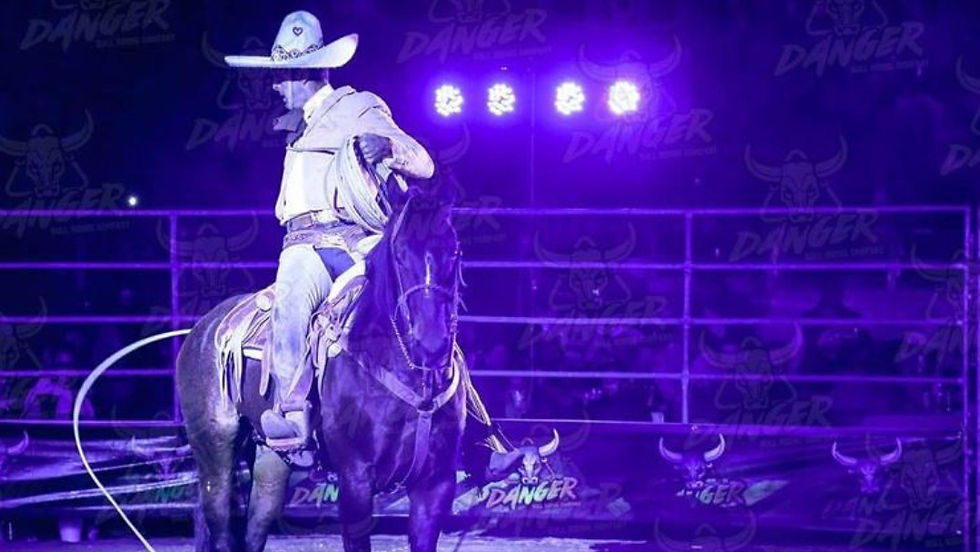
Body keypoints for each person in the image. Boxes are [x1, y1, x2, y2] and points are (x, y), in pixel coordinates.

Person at [225, 11, 434, 452]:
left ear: (304, 75)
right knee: (290, 300)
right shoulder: (296, 123)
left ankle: (472, 426)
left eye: (281, 76)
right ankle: (293, 413)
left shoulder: (359, 108)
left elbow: (424, 163)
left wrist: (389, 147)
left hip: (359, 241)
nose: (275, 86)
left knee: (418, 306)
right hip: (303, 244)